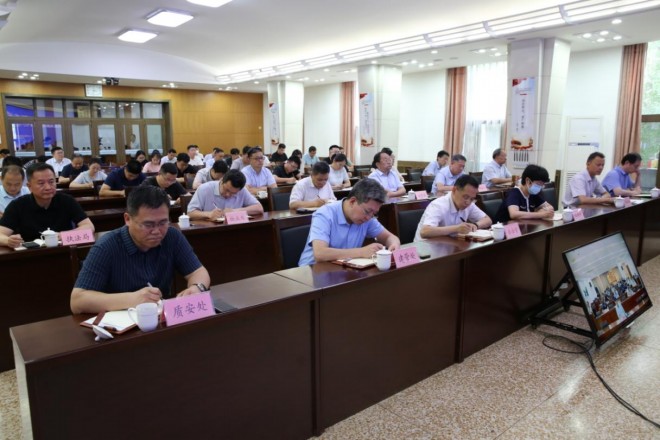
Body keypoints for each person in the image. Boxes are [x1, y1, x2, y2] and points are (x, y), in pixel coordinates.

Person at [70, 185, 211, 314]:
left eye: (163, 222)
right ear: (127, 219)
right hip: (120, 324)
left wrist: (197, 288)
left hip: (160, 321)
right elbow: (77, 301)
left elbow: (198, 271)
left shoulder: (172, 236)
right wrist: (133, 299)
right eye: (148, 225)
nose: (157, 231)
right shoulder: (106, 246)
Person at [298, 178, 400, 266]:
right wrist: (361, 252)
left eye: (374, 213)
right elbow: (320, 254)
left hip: (341, 269)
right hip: (311, 271)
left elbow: (390, 237)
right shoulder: (325, 214)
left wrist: (394, 245)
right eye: (367, 211)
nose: (369, 217)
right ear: (352, 201)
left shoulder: (368, 218)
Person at [0, 163, 95, 248]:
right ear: (29, 186)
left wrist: (62, 235)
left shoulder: (67, 200)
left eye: (51, 181)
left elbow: (89, 227)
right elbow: (1, 234)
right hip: (30, 256)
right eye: (41, 183)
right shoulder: (17, 205)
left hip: (64, 252)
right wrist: (8, 241)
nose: (48, 187)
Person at [415, 175, 491, 241]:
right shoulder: (438, 205)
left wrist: (476, 225)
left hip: (449, 244)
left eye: (471, 199)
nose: (468, 202)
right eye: (465, 197)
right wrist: (456, 229)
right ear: (454, 190)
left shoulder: (469, 204)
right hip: (426, 248)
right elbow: (425, 231)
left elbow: (487, 220)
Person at [187, 169, 264, 220]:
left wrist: (234, 211)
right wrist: (209, 214)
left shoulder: (242, 190)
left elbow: (259, 208)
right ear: (222, 180)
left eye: (233, 193)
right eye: (226, 189)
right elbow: (190, 213)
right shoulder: (204, 188)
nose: (228, 194)